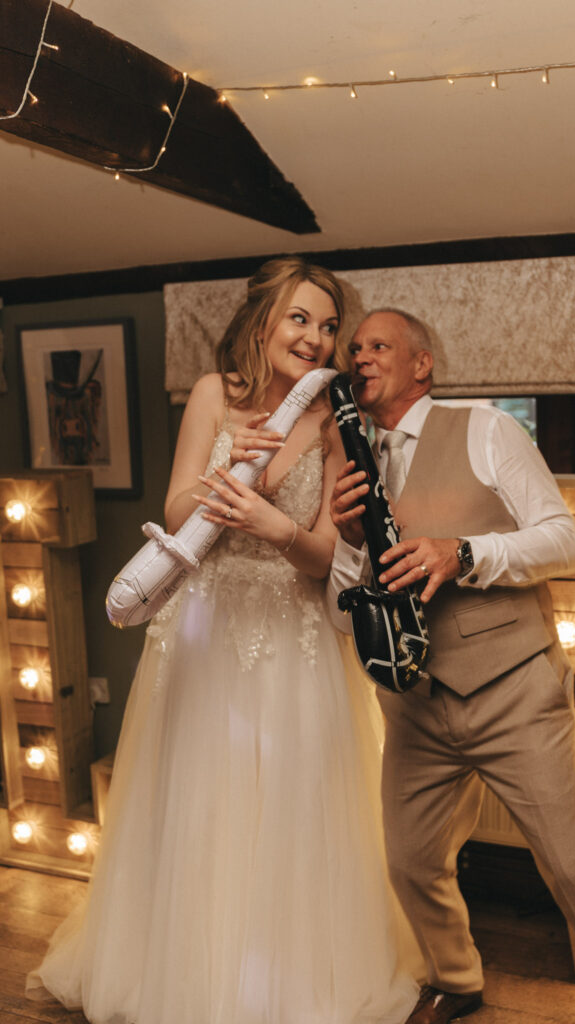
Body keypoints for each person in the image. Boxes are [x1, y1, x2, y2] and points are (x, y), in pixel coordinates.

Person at [27, 262, 419, 1024]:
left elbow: (329, 564)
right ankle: (185, 976)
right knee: (199, 802)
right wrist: (228, 467)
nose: (315, 337)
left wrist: (273, 522)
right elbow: (175, 510)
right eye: (300, 319)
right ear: (266, 322)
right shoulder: (214, 395)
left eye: (329, 325)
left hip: (290, 634)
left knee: (294, 810)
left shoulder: (339, 423)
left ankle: (287, 986)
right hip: (205, 628)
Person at [328, 308, 575, 1024]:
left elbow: (562, 542)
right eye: (354, 347)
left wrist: (463, 552)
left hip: (513, 691)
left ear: (421, 363)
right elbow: (344, 599)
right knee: (408, 861)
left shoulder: (485, 429)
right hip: (413, 705)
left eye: (378, 345)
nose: (360, 356)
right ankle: (455, 980)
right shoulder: (351, 464)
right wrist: (343, 539)